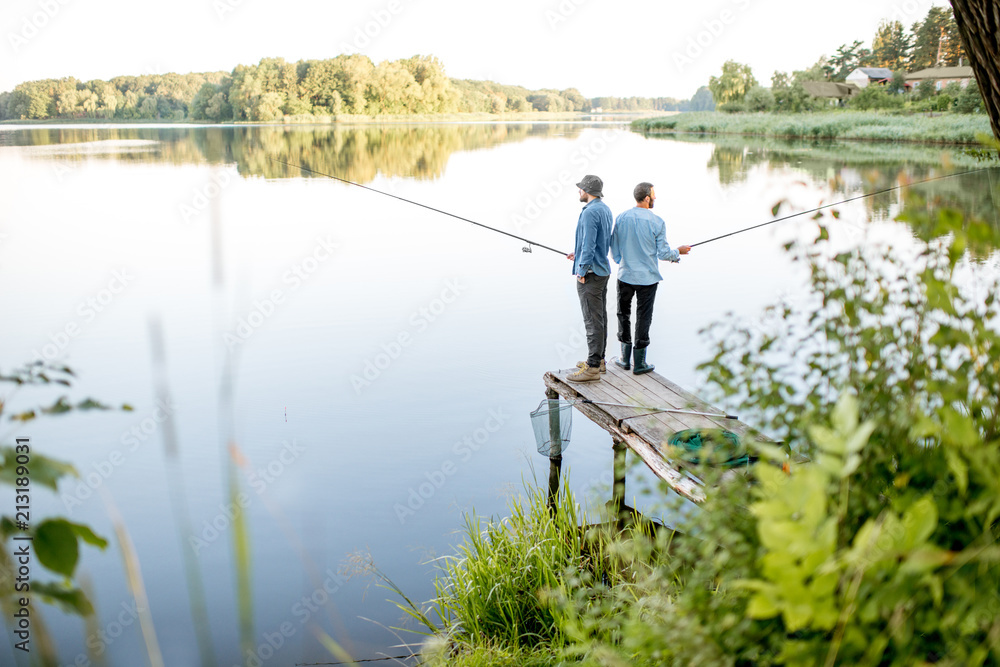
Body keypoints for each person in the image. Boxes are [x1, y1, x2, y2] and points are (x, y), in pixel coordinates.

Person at [610, 182, 690, 375]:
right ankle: (639, 364)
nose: (655, 198)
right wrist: (677, 252)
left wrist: (623, 261)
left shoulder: (621, 218)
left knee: (623, 314)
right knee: (644, 317)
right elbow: (663, 253)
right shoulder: (657, 222)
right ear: (646, 198)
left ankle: (623, 359)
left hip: (625, 275)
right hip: (647, 279)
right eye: (653, 195)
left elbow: (614, 248)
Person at [565, 174, 613, 383]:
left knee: (591, 320)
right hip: (602, 269)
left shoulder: (589, 213)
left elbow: (590, 244)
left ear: (587, 191)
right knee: (600, 316)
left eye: (581, 188)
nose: (579, 192)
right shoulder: (605, 209)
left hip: (591, 273)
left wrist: (582, 270)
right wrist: (578, 254)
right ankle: (599, 360)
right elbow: (597, 242)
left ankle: (592, 368)